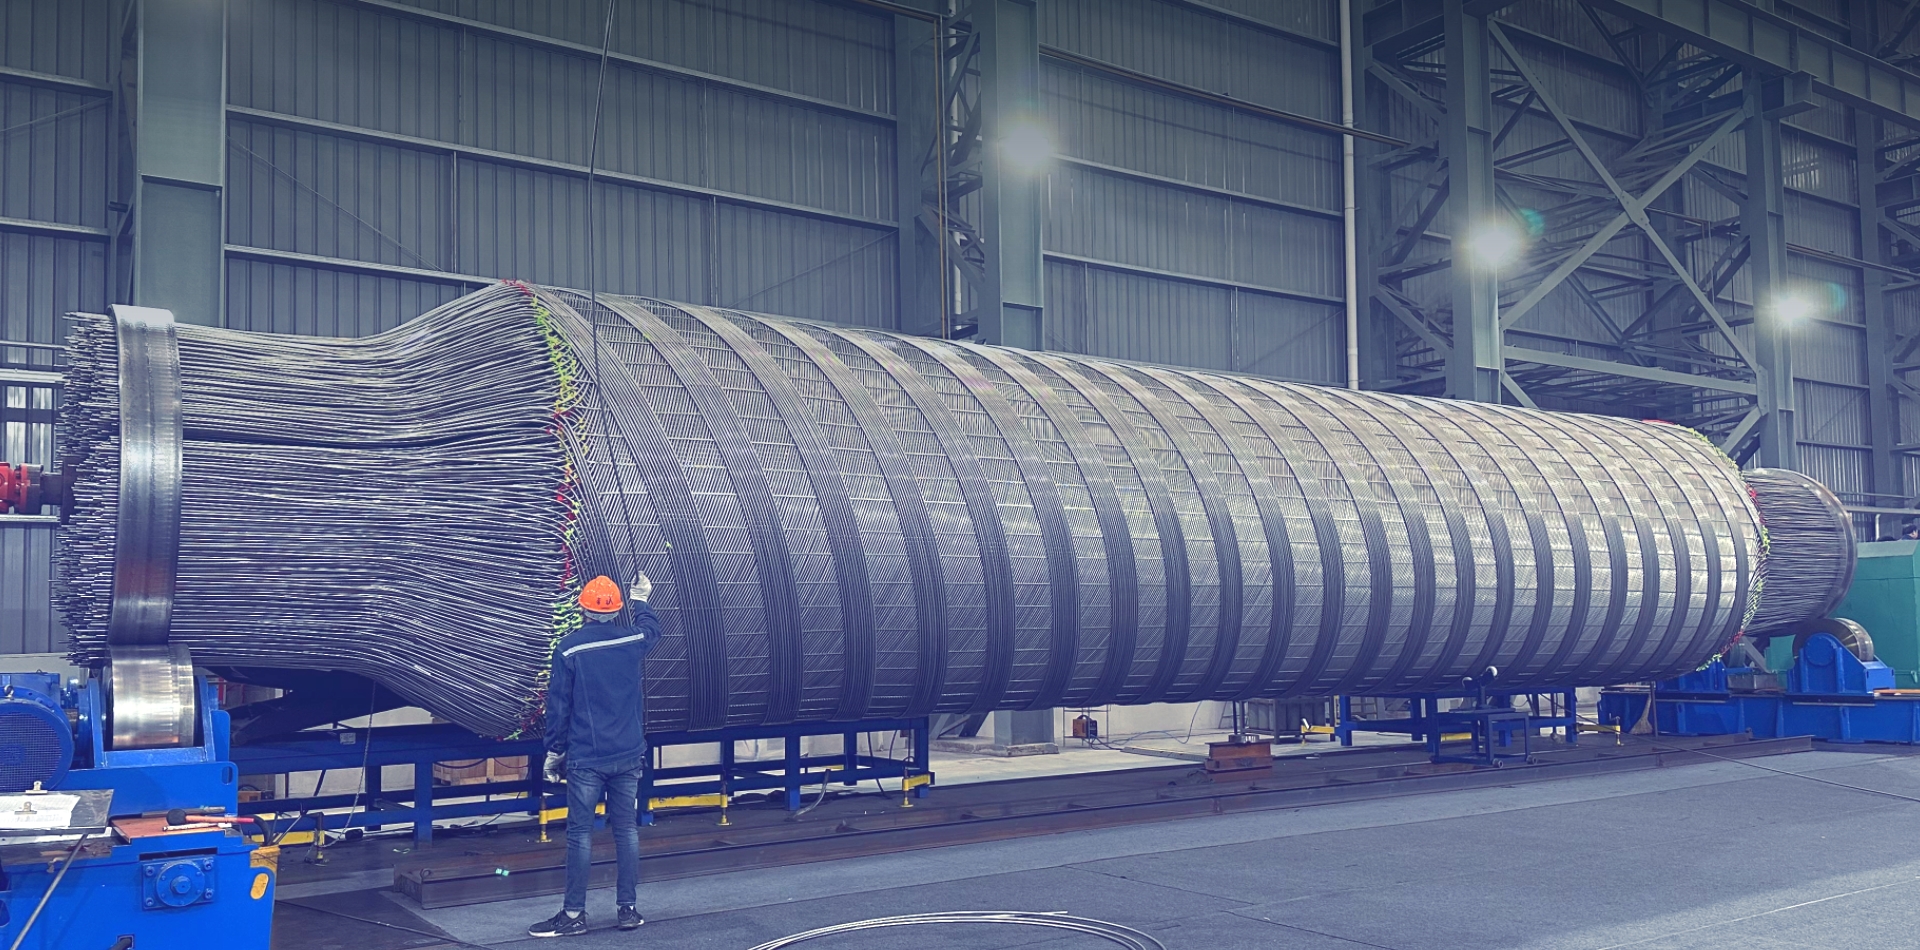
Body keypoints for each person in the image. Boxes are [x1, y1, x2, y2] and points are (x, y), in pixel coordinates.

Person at [528, 572, 658, 939]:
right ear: (616, 610)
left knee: (581, 834)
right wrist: (642, 600)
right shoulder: (632, 639)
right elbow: (652, 630)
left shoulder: (569, 649)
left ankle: (573, 914)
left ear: (582, 609)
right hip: (628, 753)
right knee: (626, 831)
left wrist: (554, 751)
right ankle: (627, 910)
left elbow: (559, 707)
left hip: (587, 757)